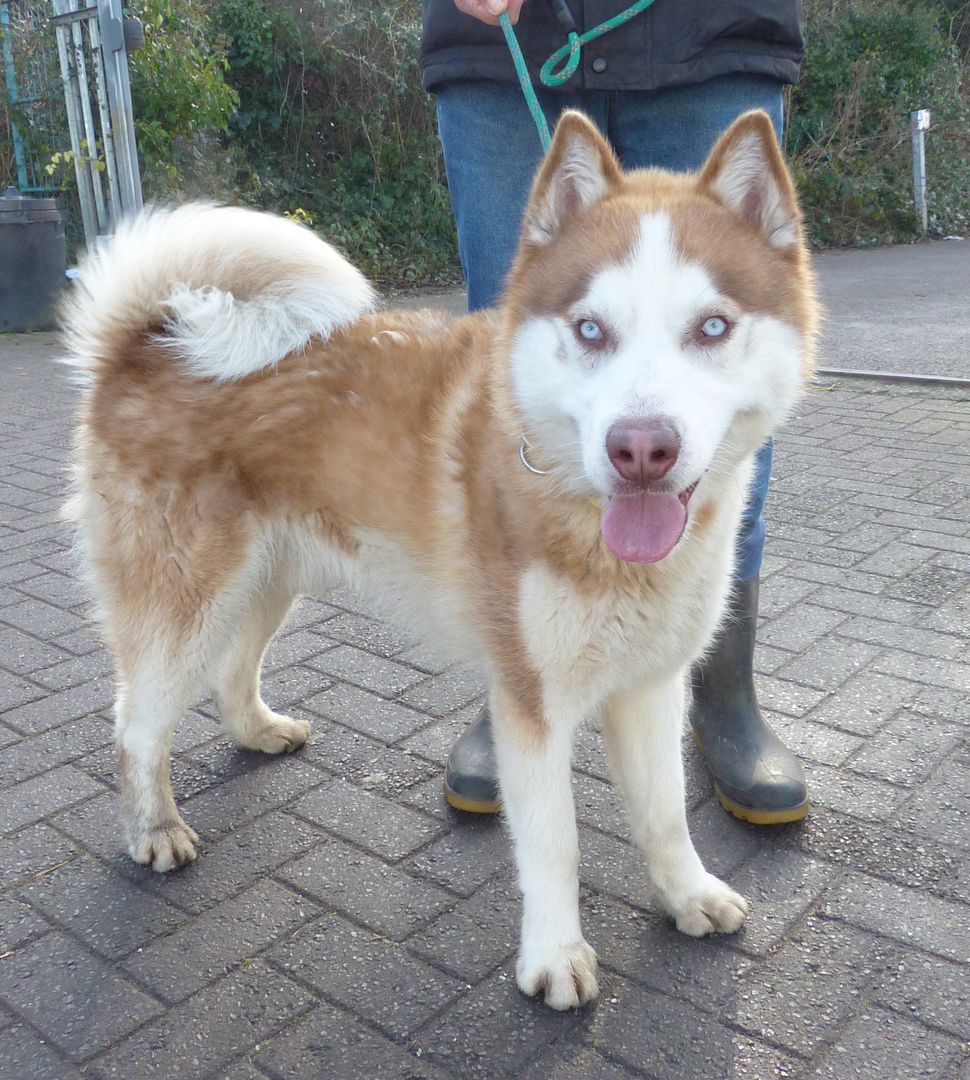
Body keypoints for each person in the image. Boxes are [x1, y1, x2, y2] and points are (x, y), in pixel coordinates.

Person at [420, 0, 809, 824]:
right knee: (524, 369)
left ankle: (721, 688)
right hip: (503, 44)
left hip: (707, 33)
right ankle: (517, 673)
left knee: (715, 374)